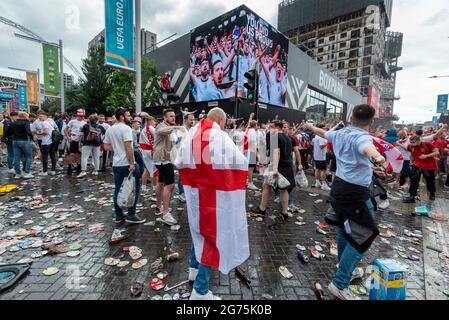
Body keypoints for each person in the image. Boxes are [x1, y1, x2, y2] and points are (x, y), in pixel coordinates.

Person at [304, 104, 385, 300]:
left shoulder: (339, 133)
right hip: (354, 194)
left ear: (350, 118)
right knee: (366, 235)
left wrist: (309, 126)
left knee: (345, 227)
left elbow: (322, 132)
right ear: (371, 121)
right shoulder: (362, 137)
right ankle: (340, 283)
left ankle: (344, 266)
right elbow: (367, 149)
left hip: (339, 188)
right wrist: (377, 157)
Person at [175, 107, 250, 300]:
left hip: (195, 194)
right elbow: (240, 161)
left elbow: (179, 160)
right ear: (220, 121)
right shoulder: (219, 135)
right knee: (211, 239)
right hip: (213, 195)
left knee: (198, 230)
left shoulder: (192, 133)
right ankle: (200, 291)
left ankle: (193, 267)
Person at [103, 108, 145, 224]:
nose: (130, 117)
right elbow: (128, 147)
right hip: (127, 164)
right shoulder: (126, 129)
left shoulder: (110, 129)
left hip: (116, 164)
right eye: (128, 115)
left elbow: (106, 146)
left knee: (118, 188)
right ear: (121, 117)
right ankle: (131, 214)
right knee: (134, 188)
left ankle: (119, 215)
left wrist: (117, 149)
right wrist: (132, 163)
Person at [251, 121, 298, 221]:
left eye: (272, 127)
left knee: (266, 186)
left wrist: (275, 168)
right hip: (287, 165)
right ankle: (284, 212)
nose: (269, 128)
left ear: (277, 127)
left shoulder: (274, 137)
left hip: (277, 166)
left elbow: (277, 152)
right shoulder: (288, 137)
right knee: (284, 189)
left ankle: (262, 209)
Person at [153, 108, 185, 225]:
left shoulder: (169, 127)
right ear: (165, 117)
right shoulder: (161, 126)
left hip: (163, 159)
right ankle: (166, 214)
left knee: (161, 183)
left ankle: (158, 207)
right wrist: (176, 127)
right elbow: (162, 131)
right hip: (164, 160)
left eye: (174, 116)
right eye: (170, 116)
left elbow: (173, 141)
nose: (173, 118)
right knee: (170, 185)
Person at [403, 135, 439, 203]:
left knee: (430, 181)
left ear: (419, 140)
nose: (412, 144)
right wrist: (412, 161)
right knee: (413, 180)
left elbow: (437, 152)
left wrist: (426, 156)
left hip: (429, 166)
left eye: (414, 142)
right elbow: (411, 153)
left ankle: (432, 194)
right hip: (417, 165)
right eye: (411, 142)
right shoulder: (411, 146)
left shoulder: (427, 144)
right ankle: (412, 196)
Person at [6, 111, 34, 179]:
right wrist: (31, 137)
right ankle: (27, 173)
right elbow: (28, 132)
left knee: (16, 157)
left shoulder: (13, 123)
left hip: (15, 141)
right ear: (25, 116)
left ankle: (18, 174)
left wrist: (14, 136)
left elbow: (8, 132)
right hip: (24, 140)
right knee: (29, 157)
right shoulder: (26, 122)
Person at [78, 114, 106, 178]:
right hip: (97, 144)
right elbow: (106, 133)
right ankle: (96, 171)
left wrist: (79, 143)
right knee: (96, 158)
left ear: (89, 119)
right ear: (97, 120)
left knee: (84, 157)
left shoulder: (85, 126)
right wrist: (101, 140)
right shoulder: (100, 126)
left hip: (87, 143)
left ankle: (83, 171)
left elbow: (81, 135)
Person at [138, 113, 158, 194]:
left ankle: (143, 187)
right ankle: (154, 188)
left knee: (146, 170)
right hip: (151, 151)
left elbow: (140, 141)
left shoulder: (143, 129)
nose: (155, 123)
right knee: (154, 171)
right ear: (150, 121)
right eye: (154, 121)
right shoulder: (151, 129)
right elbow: (158, 139)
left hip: (145, 152)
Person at [34, 110, 56, 176]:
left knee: (45, 157)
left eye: (41, 116)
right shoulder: (48, 122)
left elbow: (46, 132)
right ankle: (53, 171)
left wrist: (38, 133)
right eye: (39, 116)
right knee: (52, 156)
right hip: (51, 142)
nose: (39, 118)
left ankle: (45, 172)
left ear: (45, 116)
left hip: (46, 142)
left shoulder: (44, 123)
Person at [65, 109, 86, 175]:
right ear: (77, 115)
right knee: (72, 154)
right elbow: (65, 130)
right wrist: (68, 138)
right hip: (73, 139)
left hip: (80, 140)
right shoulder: (72, 121)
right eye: (80, 116)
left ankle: (78, 167)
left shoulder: (85, 122)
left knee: (79, 154)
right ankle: (69, 167)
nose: (82, 117)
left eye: (82, 116)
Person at [312, 124, 331, 191]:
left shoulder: (316, 136)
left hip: (317, 156)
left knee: (317, 169)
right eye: (324, 128)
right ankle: (323, 184)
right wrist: (327, 143)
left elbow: (313, 144)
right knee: (323, 170)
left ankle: (317, 182)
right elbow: (321, 146)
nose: (325, 129)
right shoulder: (321, 137)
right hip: (321, 156)